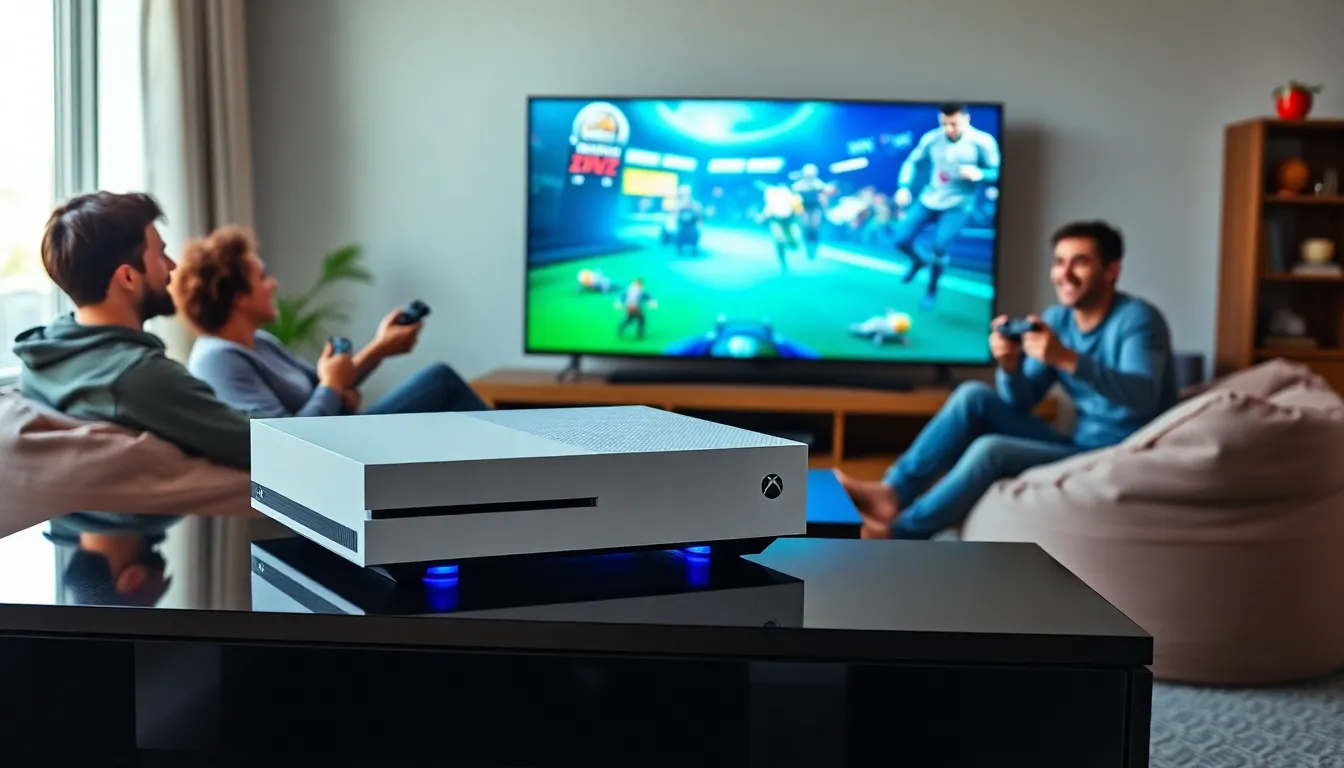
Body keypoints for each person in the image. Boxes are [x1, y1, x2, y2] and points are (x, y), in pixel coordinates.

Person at [834, 220, 1179, 539]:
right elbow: (1021, 402)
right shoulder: (1058, 319)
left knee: (992, 450)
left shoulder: (1139, 320)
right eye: (1059, 262)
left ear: (1111, 270)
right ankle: (892, 492)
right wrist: (1010, 366)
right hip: (1079, 442)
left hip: (1116, 455)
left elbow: (1143, 396)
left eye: (1080, 263)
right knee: (972, 395)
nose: (1065, 274)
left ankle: (902, 533)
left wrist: (1067, 358)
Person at [12, 191, 253, 469]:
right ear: (128, 277)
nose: (173, 265)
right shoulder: (138, 376)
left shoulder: (40, 354)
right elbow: (259, 444)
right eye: (161, 254)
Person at [172, 225, 488, 418]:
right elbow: (284, 444)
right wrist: (334, 390)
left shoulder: (260, 342)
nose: (273, 284)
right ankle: (518, 476)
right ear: (239, 297)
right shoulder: (218, 360)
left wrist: (380, 348)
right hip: (333, 458)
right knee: (441, 381)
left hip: (342, 436)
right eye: (262, 277)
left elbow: (330, 383)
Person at [891, 103, 1001, 310]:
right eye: (944, 124)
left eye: (953, 124)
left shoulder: (983, 142)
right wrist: (904, 187)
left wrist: (981, 174)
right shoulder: (932, 139)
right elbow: (911, 162)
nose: (948, 129)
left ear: (966, 119)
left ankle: (931, 291)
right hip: (930, 198)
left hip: (958, 204)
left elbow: (997, 172)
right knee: (900, 239)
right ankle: (918, 260)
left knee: (940, 247)